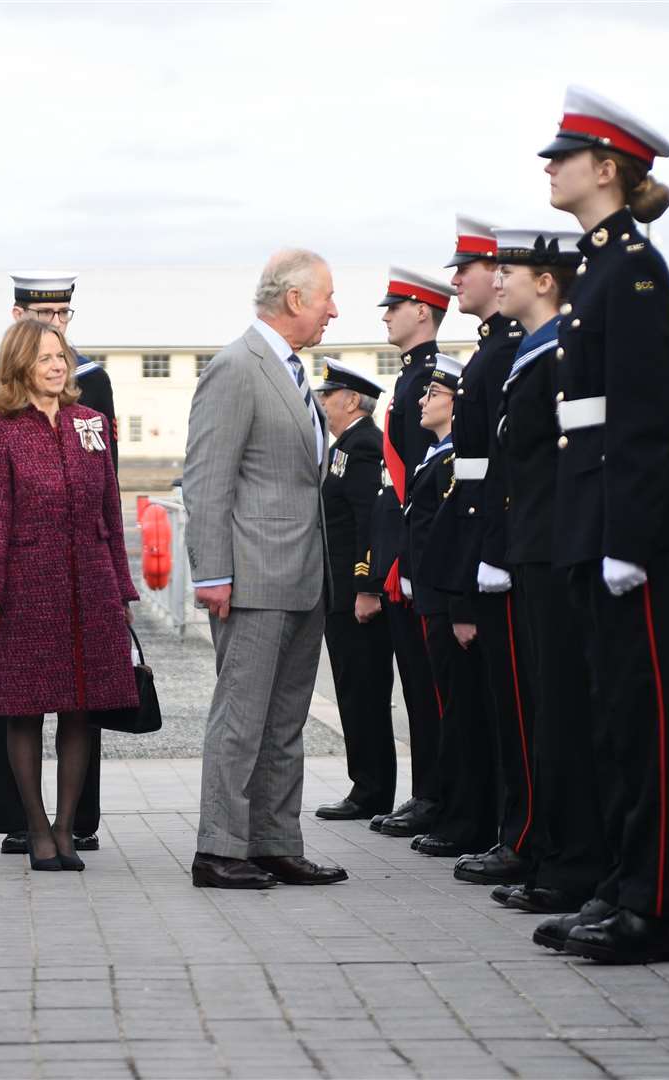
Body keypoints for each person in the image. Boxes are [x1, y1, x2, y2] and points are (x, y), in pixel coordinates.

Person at [538, 86, 669, 966]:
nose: (550, 168)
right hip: (592, 514)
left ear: (607, 169)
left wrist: (626, 539)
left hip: (629, 522)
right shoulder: (597, 267)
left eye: (563, 157)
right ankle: (621, 883)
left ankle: (659, 908)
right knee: (613, 717)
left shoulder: (634, 267)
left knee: (650, 723)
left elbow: (640, 414)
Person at [183, 249, 346, 890]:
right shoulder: (236, 367)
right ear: (297, 300)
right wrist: (211, 572)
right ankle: (218, 849)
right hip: (251, 577)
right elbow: (206, 479)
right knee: (241, 717)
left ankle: (275, 841)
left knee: (285, 720)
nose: (335, 309)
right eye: (328, 297)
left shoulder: (292, 371)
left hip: (303, 574)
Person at [0, 319, 137, 871]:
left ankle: (67, 828)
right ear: (20, 365)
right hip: (26, 588)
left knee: (81, 709)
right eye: (43, 357)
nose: (57, 364)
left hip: (90, 584)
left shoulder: (91, 423)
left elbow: (110, 509)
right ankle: (36, 829)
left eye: (60, 354)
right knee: (24, 711)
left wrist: (121, 585)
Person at [487, 227, 604, 920]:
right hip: (530, 548)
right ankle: (556, 857)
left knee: (564, 711)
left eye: (511, 269)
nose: (497, 280)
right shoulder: (526, 356)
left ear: (546, 281)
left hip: (557, 548)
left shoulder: (560, 352)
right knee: (543, 712)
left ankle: (574, 863)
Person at [427, 216, 537, 888]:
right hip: (481, 558)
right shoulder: (492, 353)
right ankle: (506, 826)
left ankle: (516, 831)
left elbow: (492, 483)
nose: (459, 279)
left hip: (501, 558)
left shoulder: (504, 355)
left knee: (515, 713)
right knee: (497, 712)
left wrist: (468, 585)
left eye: (469, 268)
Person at [366, 266, 454, 839]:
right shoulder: (408, 380)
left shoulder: (430, 378)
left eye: (395, 306)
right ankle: (428, 792)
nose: (386, 314)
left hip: (419, 551)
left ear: (422, 311)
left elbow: (426, 482)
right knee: (417, 688)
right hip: (405, 550)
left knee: (431, 688)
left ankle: (438, 795)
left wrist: (405, 559)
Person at [403, 351, 498, 860]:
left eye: (435, 394)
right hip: (434, 602)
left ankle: (466, 819)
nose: (424, 399)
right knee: (450, 712)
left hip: (449, 603)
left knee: (461, 716)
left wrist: (460, 605)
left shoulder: (457, 460)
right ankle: (456, 811)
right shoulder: (434, 457)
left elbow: (464, 535)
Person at [312, 360, 397, 821]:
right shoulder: (346, 444)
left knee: (363, 690)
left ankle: (371, 789)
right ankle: (366, 784)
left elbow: (370, 521)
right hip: (340, 593)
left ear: (350, 400)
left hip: (356, 596)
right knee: (352, 688)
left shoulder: (363, 445)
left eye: (329, 395)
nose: (323, 402)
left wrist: (367, 588)